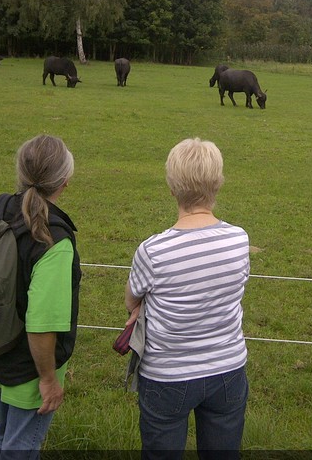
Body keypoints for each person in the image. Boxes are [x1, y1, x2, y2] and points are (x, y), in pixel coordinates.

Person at [124, 137, 250, 460]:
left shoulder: (152, 251)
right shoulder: (239, 240)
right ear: (218, 184)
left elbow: (131, 301)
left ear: (171, 188)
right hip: (228, 370)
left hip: (166, 376)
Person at [0, 134, 81, 460]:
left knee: (5, 435)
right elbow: (41, 324)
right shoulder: (54, 240)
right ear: (65, 181)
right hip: (30, 365)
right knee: (21, 447)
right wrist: (47, 380)